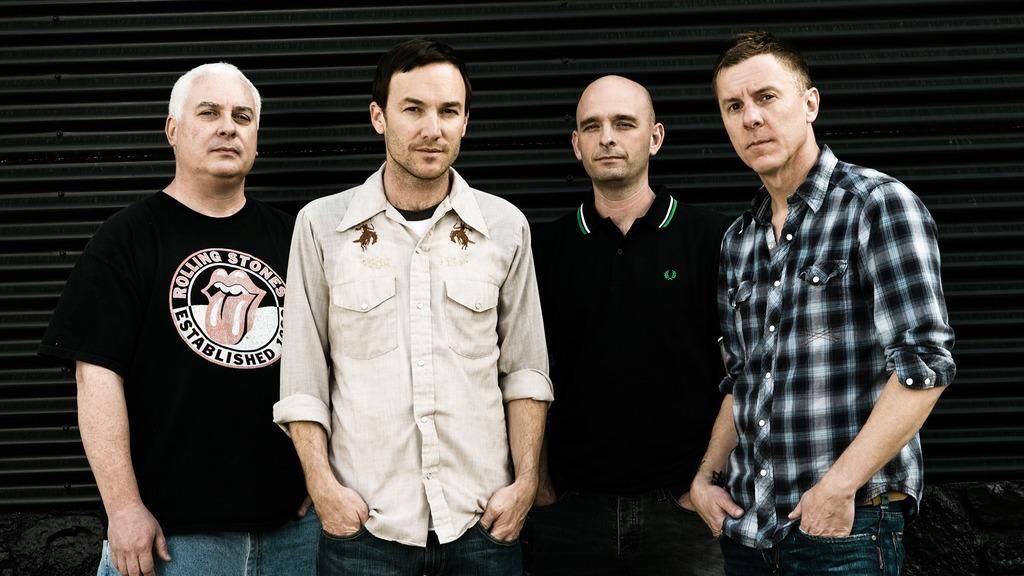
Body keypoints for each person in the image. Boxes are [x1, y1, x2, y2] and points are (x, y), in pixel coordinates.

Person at [273, 38, 552, 576]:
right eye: (413, 109)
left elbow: (525, 372)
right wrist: (323, 488)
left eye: (448, 111)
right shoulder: (322, 227)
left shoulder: (504, 227)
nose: (432, 128)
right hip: (367, 530)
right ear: (378, 117)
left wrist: (524, 485)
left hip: (481, 526)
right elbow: (303, 377)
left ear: (466, 121)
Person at [689, 31, 957, 575]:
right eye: (733, 106)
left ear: (810, 103)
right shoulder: (739, 240)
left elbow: (925, 367)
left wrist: (838, 488)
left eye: (767, 97)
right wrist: (706, 477)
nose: (751, 118)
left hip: (843, 529)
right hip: (749, 532)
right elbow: (742, 378)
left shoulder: (875, 205)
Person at [38, 62, 317, 576]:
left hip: (293, 536)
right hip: (175, 539)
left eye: (242, 117)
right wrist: (123, 507)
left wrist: (321, 473)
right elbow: (96, 378)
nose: (228, 127)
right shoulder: (127, 238)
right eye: (209, 113)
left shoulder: (295, 237)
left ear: (257, 138)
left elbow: (336, 361)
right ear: (172, 129)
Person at [526, 75, 729, 576]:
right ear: (576, 145)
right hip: (571, 513)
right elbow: (524, 372)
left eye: (623, 124)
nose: (607, 138)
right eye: (592, 126)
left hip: (684, 513)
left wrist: (704, 481)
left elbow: (742, 370)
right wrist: (542, 485)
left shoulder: (710, 238)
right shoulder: (544, 249)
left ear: (655, 137)